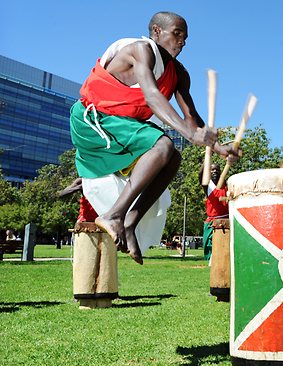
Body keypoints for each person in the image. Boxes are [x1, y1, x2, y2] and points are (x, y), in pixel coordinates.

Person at [69, 12, 240, 264]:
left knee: (172, 158)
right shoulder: (140, 50)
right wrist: (189, 133)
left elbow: (191, 116)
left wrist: (219, 147)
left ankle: (130, 221)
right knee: (163, 144)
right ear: (157, 32)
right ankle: (114, 214)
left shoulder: (179, 74)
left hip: (124, 125)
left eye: (185, 38)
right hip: (94, 119)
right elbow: (151, 95)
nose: (181, 42)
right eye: (177, 34)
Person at [199, 163, 229, 261]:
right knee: (210, 248)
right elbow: (201, 175)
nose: (215, 171)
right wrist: (206, 160)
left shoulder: (227, 185)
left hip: (226, 222)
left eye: (217, 169)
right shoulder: (208, 186)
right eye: (212, 170)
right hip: (212, 222)